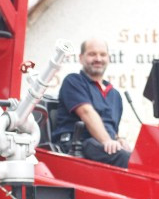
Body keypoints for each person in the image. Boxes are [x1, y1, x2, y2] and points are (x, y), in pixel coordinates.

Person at [52, 38, 132, 168]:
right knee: (126, 159)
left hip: (101, 147)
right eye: (92, 54)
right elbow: (87, 113)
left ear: (108, 58)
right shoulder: (73, 81)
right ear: (81, 58)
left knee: (139, 160)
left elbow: (111, 128)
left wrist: (118, 140)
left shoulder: (115, 95)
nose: (98, 59)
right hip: (78, 145)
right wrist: (107, 141)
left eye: (102, 54)